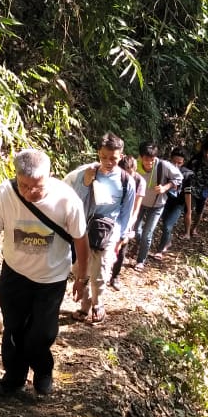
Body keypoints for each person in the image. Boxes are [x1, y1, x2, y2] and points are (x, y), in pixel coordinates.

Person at [0, 148, 89, 397]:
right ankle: (14, 377)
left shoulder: (67, 200)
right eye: (24, 186)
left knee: (42, 333)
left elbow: (81, 241)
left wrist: (82, 277)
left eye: (37, 187)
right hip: (15, 273)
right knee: (14, 330)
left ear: (49, 176)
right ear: (16, 176)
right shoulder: (3, 194)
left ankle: (43, 369)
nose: (29, 194)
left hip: (52, 278)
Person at [64, 132, 135, 324]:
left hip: (109, 229)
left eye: (113, 158)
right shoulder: (87, 172)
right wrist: (86, 182)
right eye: (104, 157)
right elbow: (74, 201)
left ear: (121, 156)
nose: (108, 161)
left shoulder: (126, 181)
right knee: (81, 266)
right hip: (84, 227)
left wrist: (120, 238)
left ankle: (98, 303)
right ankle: (85, 306)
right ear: (98, 153)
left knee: (101, 269)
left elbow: (126, 213)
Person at [133, 142, 182, 270]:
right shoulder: (135, 165)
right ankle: (140, 245)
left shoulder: (163, 166)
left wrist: (165, 187)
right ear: (141, 157)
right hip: (139, 203)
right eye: (146, 160)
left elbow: (179, 178)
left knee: (147, 233)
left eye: (152, 160)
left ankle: (140, 261)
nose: (149, 163)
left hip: (157, 205)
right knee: (135, 229)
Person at [109, 155, 146, 289]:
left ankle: (115, 276)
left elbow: (136, 209)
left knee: (122, 245)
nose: (127, 176)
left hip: (128, 216)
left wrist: (129, 225)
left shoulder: (139, 181)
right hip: (112, 214)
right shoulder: (114, 176)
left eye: (130, 172)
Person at [154, 147, 193, 258]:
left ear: (183, 162)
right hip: (165, 201)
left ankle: (160, 250)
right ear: (170, 160)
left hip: (178, 204)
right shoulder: (165, 170)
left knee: (167, 226)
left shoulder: (187, 175)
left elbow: (187, 194)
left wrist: (188, 211)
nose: (176, 165)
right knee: (165, 224)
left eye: (179, 163)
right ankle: (168, 240)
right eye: (174, 162)